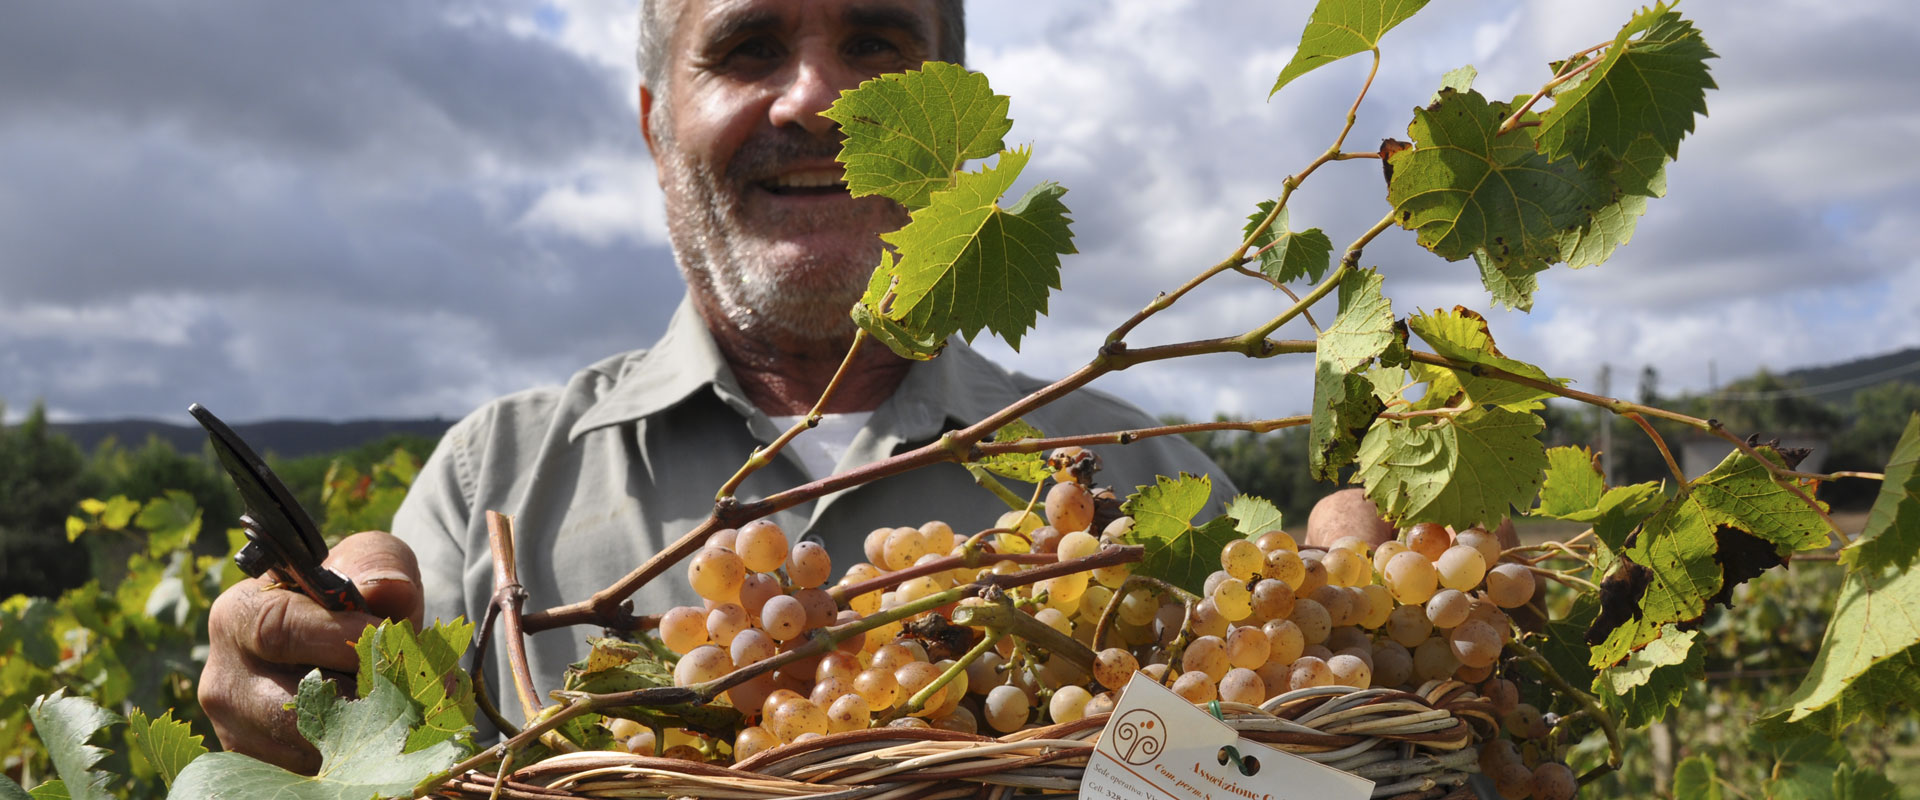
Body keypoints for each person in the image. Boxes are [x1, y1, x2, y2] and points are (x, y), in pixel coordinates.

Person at [200, 0, 1230, 771]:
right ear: (656, 128)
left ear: (960, 129)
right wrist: (298, 709)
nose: (816, 98)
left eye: (876, 44)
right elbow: (374, 751)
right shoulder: (490, 482)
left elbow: (1282, 762)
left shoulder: (1148, 483)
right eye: (747, 47)